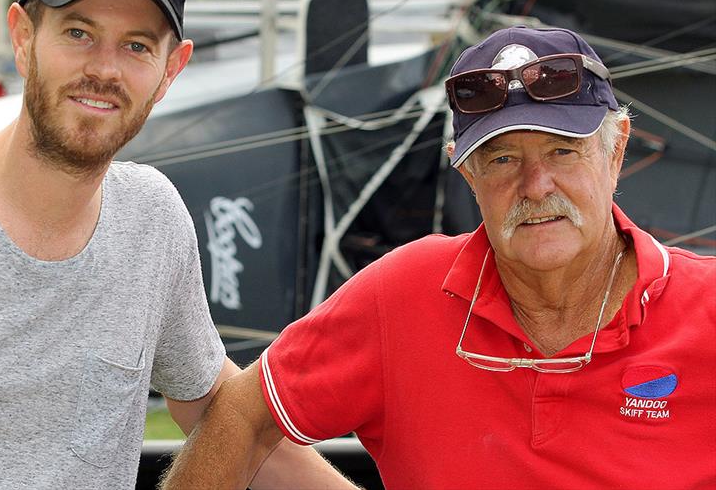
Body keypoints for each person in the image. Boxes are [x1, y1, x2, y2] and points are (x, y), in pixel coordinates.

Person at [162, 25, 716, 489]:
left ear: (616, 149)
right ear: (466, 171)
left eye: (562, 150)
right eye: (501, 159)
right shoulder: (404, 294)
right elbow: (242, 414)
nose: (535, 184)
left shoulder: (706, 308)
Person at [0, 0, 356, 490]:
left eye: (137, 45)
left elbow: (219, 411)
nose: (103, 68)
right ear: (23, 38)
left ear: (171, 69)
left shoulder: (152, 219)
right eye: (78, 33)